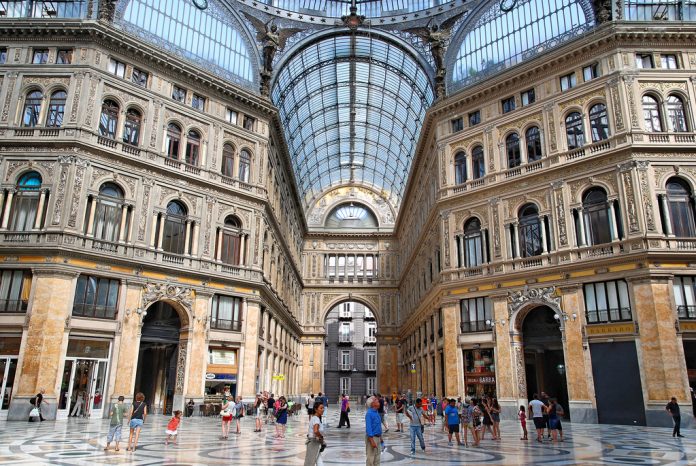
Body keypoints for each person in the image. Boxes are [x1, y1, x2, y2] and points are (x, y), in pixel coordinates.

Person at [304, 401, 326, 466]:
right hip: (314, 443)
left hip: (313, 442)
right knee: (310, 463)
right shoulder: (316, 419)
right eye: (321, 408)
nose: (323, 410)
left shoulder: (314, 418)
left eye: (323, 408)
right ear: (316, 409)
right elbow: (315, 431)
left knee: (318, 461)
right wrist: (321, 437)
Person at [365, 396, 383, 466]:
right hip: (372, 438)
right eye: (376, 400)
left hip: (378, 438)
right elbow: (369, 429)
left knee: (377, 458)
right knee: (370, 459)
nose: (378, 400)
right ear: (372, 404)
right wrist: (372, 441)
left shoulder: (376, 412)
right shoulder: (369, 414)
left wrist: (381, 438)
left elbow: (378, 426)